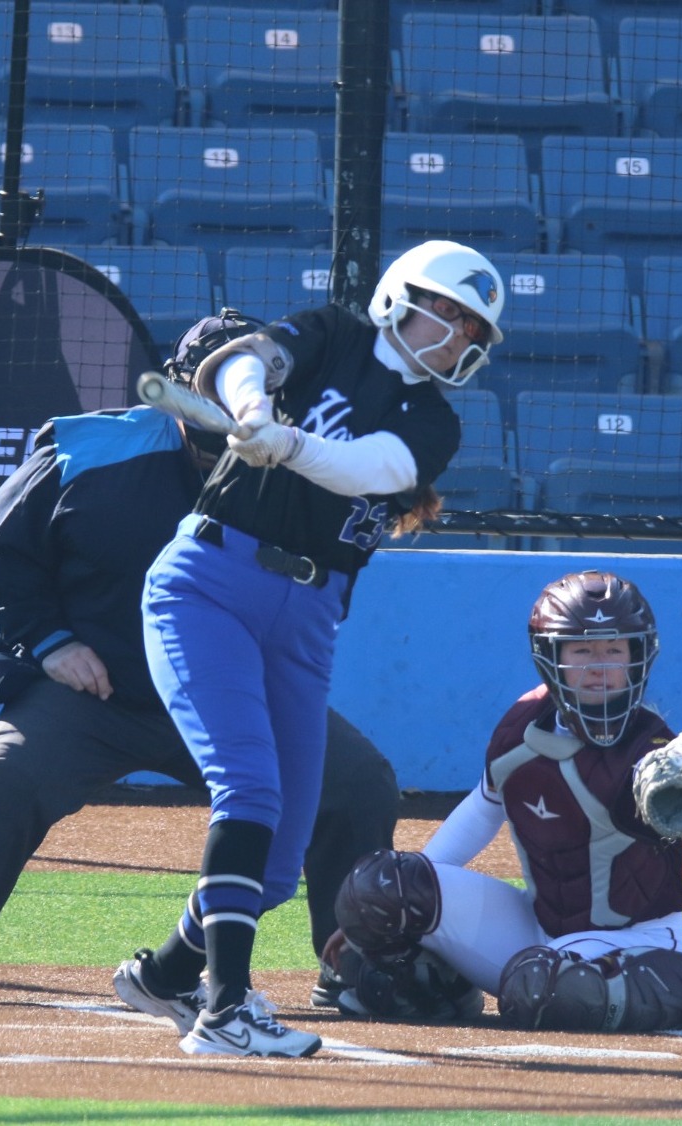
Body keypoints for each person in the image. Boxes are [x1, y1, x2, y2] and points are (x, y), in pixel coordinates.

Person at [0, 316, 401, 1007]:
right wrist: (51, 643)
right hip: (100, 691)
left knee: (357, 782)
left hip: (233, 690)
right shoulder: (91, 447)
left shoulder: (305, 460)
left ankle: (352, 968)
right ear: (184, 387)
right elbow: (3, 550)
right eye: (212, 378)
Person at [110, 240, 507, 1058]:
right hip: (212, 582)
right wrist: (253, 410)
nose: (460, 336)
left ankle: (163, 975)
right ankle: (223, 1009)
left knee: (283, 855)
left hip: (310, 613)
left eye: (473, 328)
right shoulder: (334, 333)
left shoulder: (435, 421)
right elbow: (242, 360)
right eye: (451, 312)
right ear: (402, 297)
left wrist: (289, 447)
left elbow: (371, 469)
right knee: (249, 793)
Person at [326, 570, 682, 1037]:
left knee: (538, 988)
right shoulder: (521, 728)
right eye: (582, 650)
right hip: (537, 929)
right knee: (378, 885)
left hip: (640, 941)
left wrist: (678, 790)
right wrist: (395, 919)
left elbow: (665, 799)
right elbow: (481, 809)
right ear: (550, 656)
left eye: (615, 650)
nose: (600, 665)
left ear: (638, 656)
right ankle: (443, 994)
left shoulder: (652, 747)